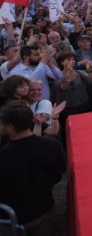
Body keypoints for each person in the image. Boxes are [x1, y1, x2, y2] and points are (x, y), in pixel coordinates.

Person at [0, 101, 66, 236]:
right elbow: (60, 171)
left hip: (15, 218)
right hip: (44, 209)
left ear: (10, 128)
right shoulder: (52, 145)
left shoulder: (4, 156)